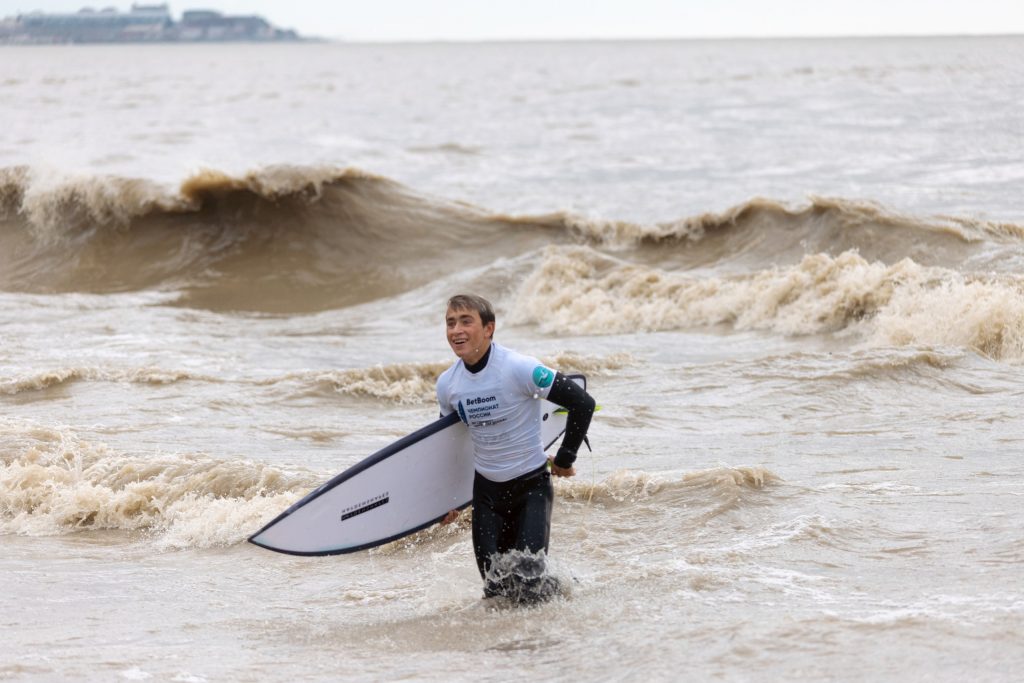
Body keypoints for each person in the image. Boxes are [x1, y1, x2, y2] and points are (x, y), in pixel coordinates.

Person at [436, 294, 596, 604]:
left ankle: (547, 633)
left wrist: (565, 459)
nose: (456, 330)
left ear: (489, 328)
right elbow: (450, 444)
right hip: (487, 496)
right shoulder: (448, 385)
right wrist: (450, 499)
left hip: (530, 488)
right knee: (495, 592)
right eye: (450, 322)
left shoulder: (519, 368)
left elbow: (582, 402)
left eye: (466, 321)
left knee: (528, 585)